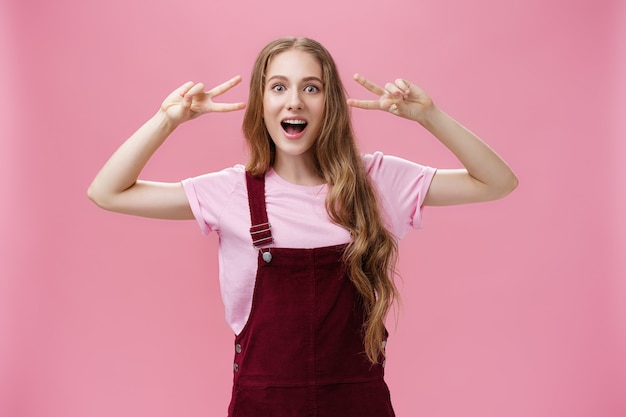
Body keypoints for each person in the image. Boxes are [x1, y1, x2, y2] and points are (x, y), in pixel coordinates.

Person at [88, 36, 517, 417]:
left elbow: (497, 182)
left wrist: (429, 116)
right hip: (263, 406)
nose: (294, 101)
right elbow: (108, 192)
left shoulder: (378, 181)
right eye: (279, 87)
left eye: (311, 87)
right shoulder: (231, 191)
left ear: (329, 102)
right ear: (262, 103)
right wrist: (168, 119)